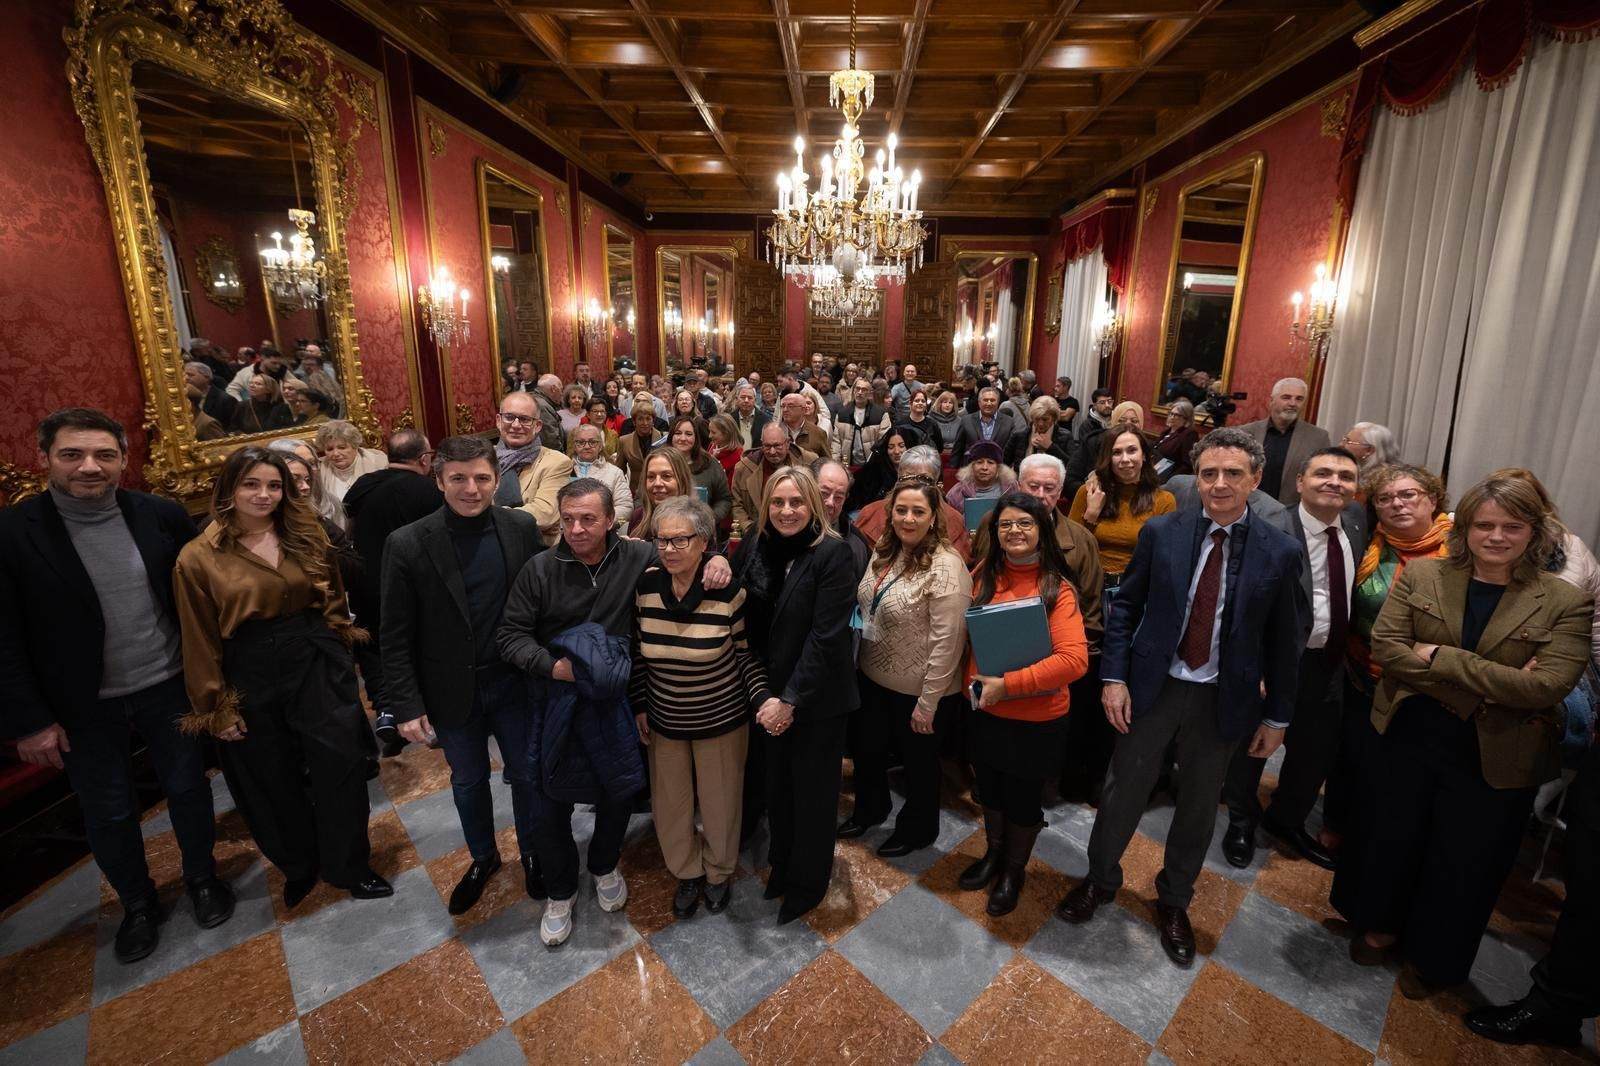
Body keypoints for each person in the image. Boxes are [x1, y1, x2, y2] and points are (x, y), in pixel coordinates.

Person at [1057, 427, 1306, 967]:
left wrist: (1279, 716)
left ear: (1255, 480)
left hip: (1222, 696)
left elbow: (1285, 642)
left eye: (1232, 474)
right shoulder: (1163, 532)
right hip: (1155, 686)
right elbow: (1125, 609)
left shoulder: (1280, 551)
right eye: (1210, 473)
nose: (1219, 484)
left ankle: (1174, 900)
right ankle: (1100, 880)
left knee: (1197, 805)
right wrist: (1115, 678)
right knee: (1123, 791)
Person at [1340, 475, 1590, 1000]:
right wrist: (1497, 680)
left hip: (1498, 748)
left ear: (1534, 531)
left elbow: (1546, 686)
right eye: (1485, 525)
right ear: (1465, 526)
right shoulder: (1426, 575)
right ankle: (1378, 925)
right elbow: (1387, 647)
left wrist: (1443, 658)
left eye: (1511, 527)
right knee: (1394, 835)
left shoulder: (1564, 600)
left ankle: (1433, 958)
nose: (1496, 537)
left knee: (1466, 860)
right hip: (1412, 730)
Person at [0, 409, 231, 963]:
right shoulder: (12, 533)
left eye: (104, 455)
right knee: (108, 812)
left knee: (190, 789)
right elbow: (3, 639)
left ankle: (202, 878)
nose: (89, 467)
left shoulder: (160, 514)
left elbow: (197, 600)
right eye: (72, 455)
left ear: (124, 460)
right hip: (82, 705)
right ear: (44, 458)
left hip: (167, 684)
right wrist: (29, 721)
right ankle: (138, 903)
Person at [496, 479, 731, 945]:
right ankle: (561, 892)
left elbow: (687, 552)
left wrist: (719, 558)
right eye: (568, 519)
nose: (577, 529)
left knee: (617, 791)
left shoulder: (638, 557)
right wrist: (556, 668)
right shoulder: (540, 569)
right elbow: (510, 636)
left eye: (588, 519)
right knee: (550, 800)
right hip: (557, 698)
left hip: (613, 699)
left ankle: (604, 864)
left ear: (611, 520)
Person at [173, 447, 389, 908]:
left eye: (274, 485)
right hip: (246, 663)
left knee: (341, 765)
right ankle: (298, 865)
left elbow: (332, 590)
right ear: (228, 489)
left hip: (312, 651)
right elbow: (198, 634)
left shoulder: (305, 531)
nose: (264, 495)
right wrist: (213, 705)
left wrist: (335, 646)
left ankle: (349, 864)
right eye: (251, 484)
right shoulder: (198, 556)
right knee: (268, 775)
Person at [381, 436, 547, 915]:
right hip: (452, 690)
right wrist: (406, 705)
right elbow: (394, 633)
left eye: (481, 478)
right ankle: (483, 857)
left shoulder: (519, 527)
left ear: (498, 480)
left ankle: (533, 853)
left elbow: (542, 604)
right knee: (468, 780)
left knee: (527, 776)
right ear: (438, 479)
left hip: (514, 683)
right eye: (458, 478)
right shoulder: (408, 543)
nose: (470, 488)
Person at [1220, 447, 1368, 869]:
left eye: (1345, 476)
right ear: (1300, 482)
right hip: (1272, 663)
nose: (1334, 482)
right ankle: (1242, 820)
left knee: (1313, 752)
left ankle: (1287, 820)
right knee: (1254, 747)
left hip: (1329, 662)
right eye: (1323, 473)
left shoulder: (1357, 523)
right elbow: (1239, 604)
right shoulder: (1267, 529)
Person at [631, 496, 770, 918]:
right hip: (666, 717)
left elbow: (745, 655)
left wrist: (763, 699)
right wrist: (640, 703)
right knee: (670, 803)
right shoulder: (647, 587)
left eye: (680, 540)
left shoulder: (728, 591)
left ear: (704, 542)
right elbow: (638, 654)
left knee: (721, 802)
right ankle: (687, 871)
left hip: (722, 717)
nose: (669, 549)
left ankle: (717, 872)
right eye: (662, 540)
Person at [731, 467, 859, 923]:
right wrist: (767, 696)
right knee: (778, 790)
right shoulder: (757, 544)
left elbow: (826, 638)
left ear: (814, 505)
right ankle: (781, 868)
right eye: (778, 502)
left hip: (815, 698)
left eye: (796, 502)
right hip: (768, 696)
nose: (787, 511)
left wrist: (789, 700)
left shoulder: (833, 554)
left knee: (813, 797)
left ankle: (808, 883)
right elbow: (739, 602)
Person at [962, 491, 1090, 914]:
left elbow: (1073, 661)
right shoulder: (984, 574)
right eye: (1005, 525)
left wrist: (1008, 685)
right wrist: (973, 685)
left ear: (1042, 531)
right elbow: (977, 640)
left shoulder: (1057, 588)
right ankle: (993, 855)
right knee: (991, 792)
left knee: (1021, 800)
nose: (1014, 531)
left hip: (1036, 720)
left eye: (1024, 524)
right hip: (988, 713)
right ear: (994, 532)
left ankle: (1014, 871)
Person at [1323, 462, 1453, 864]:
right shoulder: (1367, 543)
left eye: (1408, 494)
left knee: (1395, 774)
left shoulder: (1461, 552)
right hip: (1359, 671)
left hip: (1422, 685)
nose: (1397, 504)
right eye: (1384, 498)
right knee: (1350, 755)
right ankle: (1337, 825)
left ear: (1432, 499)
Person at [838, 478, 972, 858]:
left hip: (920, 688)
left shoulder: (948, 567)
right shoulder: (885, 550)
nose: (908, 518)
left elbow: (949, 643)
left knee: (918, 765)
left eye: (918, 511)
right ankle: (870, 809)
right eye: (901, 510)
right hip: (873, 676)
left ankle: (918, 829)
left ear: (934, 518)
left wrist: (928, 703)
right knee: (868, 752)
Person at [1009, 454, 1107, 802]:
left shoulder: (1081, 540)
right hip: (1007, 650)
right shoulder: (998, 526)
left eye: (1049, 488)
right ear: (1019, 486)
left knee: (1053, 733)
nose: (1040, 495)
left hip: (1060, 659)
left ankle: (1048, 781)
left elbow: (1092, 609)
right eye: (1032, 486)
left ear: (1061, 492)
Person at [341, 428, 442, 756]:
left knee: (373, 647)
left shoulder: (362, 485)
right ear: (424, 459)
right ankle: (420, 712)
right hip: (407, 583)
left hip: (364, 581)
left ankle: (385, 708)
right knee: (413, 644)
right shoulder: (427, 491)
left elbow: (348, 530)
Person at [1068, 426, 1177, 581]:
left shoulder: (1164, 500)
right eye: (1116, 452)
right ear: (1108, 458)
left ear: (1144, 455)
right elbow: (1071, 548)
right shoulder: (1088, 493)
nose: (1125, 459)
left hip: (1135, 586)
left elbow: (1162, 558)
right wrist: (1091, 514)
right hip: (1089, 581)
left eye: (1132, 450)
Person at [855, 446, 974, 566]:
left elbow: (959, 565)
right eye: (908, 477)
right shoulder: (870, 513)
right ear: (898, 476)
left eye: (924, 479)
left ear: (936, 482)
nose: (915, 485)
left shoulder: (953, 519)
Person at [494, 391, 575, 545]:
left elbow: (544, 514)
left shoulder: (557, 462)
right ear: (499, 421)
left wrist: (488, 518)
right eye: (509, 417)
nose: (516, 425)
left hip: (535, 550)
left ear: (537, 426)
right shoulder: (484, 459)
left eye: (524, 419)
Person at [1237, 378, 1332, 506]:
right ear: (1272, 401)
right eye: (1286, 397)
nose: (1293, 403)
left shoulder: (1318, 437)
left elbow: (1323, 478)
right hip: (1247, 508)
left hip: (1292, 513)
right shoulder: (1246, 432)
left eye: (1299, 399)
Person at [732, 423, 814, 537]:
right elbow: (736, 504)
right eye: (767, 446)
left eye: (777, 446)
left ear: (788, 443)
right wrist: (750, 529)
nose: (772, 452)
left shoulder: (809, 463)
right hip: (757, 534)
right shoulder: (743, 468)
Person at [314, 421, 387, 532]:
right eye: (329, 449)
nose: (335, 454)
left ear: (355, 446)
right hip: (334, 535)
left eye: (342, 447)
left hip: (374, 529)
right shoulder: (318, 470)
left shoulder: (378, 464)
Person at [666, 415, 734, 532]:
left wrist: (710, 518)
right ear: (671, 436)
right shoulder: (659, 461)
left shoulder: (710, 463)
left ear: (696, 438)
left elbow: (724, 499)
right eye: (678, 433)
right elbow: (642, 497)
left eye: (688, 434)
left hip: (702, 532)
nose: (683, 438)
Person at [814, 458, 874, 580]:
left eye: (838, 497)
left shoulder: (855, 545)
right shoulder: (787, 527)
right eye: (824, 493)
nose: (830, 503)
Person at [568, 423, 633, 533]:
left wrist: (602, 522)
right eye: (581, 442)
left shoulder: (615, 473)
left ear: (600, 446)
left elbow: (626, 509)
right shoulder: (562, 470)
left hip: (603, 533)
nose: (587, 446)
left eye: (592, 442)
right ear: (574, 445)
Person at [844, 424, 921, 515]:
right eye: (891, 447)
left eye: (901, 446)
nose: (896, 451)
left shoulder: (919, 469)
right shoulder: (873, 471)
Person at [630, 445, 694, 537]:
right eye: (651, 477)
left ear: (682, 480)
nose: (657, 483)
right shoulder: (637, 518)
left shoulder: (698, 519)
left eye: (667, 476)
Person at [831, 379, 891, 468]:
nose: (860, 392)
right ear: (853, 390)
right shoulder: (842, 414)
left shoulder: (881, 414)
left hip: (871, 466)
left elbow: (883, 442)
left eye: (864, 390)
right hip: (847, 465)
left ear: (870, 393)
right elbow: (836, 443)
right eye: (857, 389)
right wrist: (836, 465)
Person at [617, 391, 668, 493]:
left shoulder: (664, 439)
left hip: (660, 489)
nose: (645, 423)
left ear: (653, 421)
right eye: (640, 419)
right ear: (634, 422)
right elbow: (619, 471)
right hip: (636, 492)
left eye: (648, 419)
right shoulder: (624, 441)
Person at [945, 439, 1017, 513]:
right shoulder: (957, 492)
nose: (984, 467)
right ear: (971, 466)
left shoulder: (1011, 487)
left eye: (990, 462)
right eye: (979, 462)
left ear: (998, 467)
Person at [952, 387, 1017, 468]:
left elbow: (1012, 451)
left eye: (992, 400)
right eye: (985, 400)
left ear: (998, 403)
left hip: (999, 471)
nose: (989, 403)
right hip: (971, 470)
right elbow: (958, 449)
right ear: (979, 402)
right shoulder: (966, 420)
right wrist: (953, 470)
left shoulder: (1008, 422)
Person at [1004, 396, 1072, 470]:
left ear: (1054, 419)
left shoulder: (1065, 436)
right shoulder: (1019, 435)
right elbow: (1004, 463)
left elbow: (1072, 466)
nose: (1040, 424)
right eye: (1036, 419)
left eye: (1045, 419)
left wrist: (1050, 447)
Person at [228, 371, 292, 434]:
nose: (252, 386)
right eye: (251, 383)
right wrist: (241, 434)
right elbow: (233, 429)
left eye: (258, 384)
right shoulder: (242, 406)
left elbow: (287, 428)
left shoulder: (281, 407)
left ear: (268, 389)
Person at [1154, 400, 1200, 481]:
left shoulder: (1189, 434)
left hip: (1168, 479)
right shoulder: (1166, 432)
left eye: (1177, 415)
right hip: (1155, 473)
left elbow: (1187, 465)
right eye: (1171, 413)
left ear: (1186, 418)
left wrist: (1170, 480)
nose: (1172, 417)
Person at [776, 392, 830, 457]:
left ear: (803, 409)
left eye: (791, 406)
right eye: (783, 406)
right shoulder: (775, 431)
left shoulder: (818, 433)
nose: (785, 410)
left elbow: (826, 461)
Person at [571, 396, 619, 462]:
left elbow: (618, 455)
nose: (599, 414)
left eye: (602, 411)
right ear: (588, 414)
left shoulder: (613, 434)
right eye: (595, 411)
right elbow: (570, 455)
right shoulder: (576, 433)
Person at [706, 413, 743, 485]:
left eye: (713, 432)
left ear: (726, 433)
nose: (709, 436)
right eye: (709, 431)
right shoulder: (712, 445)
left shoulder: (738, 457)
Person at [532, 374, 566, 451]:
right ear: (553, 388)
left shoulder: (535, 400)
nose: (561, 394)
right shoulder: (542, 406)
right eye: (561, 390)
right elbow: (550, 441)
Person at [928, 390, 963, 456]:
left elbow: (961, 441)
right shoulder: (929, 420)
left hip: (954, 455)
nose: (947, 405)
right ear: (939, 403)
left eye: (950, 403)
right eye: (945, 402)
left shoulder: (959, 421)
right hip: (934, 455)